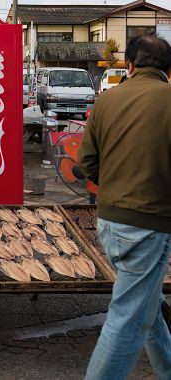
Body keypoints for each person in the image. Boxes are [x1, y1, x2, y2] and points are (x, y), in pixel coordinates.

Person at [78, 34, 171, 380]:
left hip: (109, 221)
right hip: (148, 225)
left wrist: (114, 184)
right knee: (127, 318)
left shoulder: (107, 100)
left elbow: (87, 160)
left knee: (147, 308)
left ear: (129, 66)